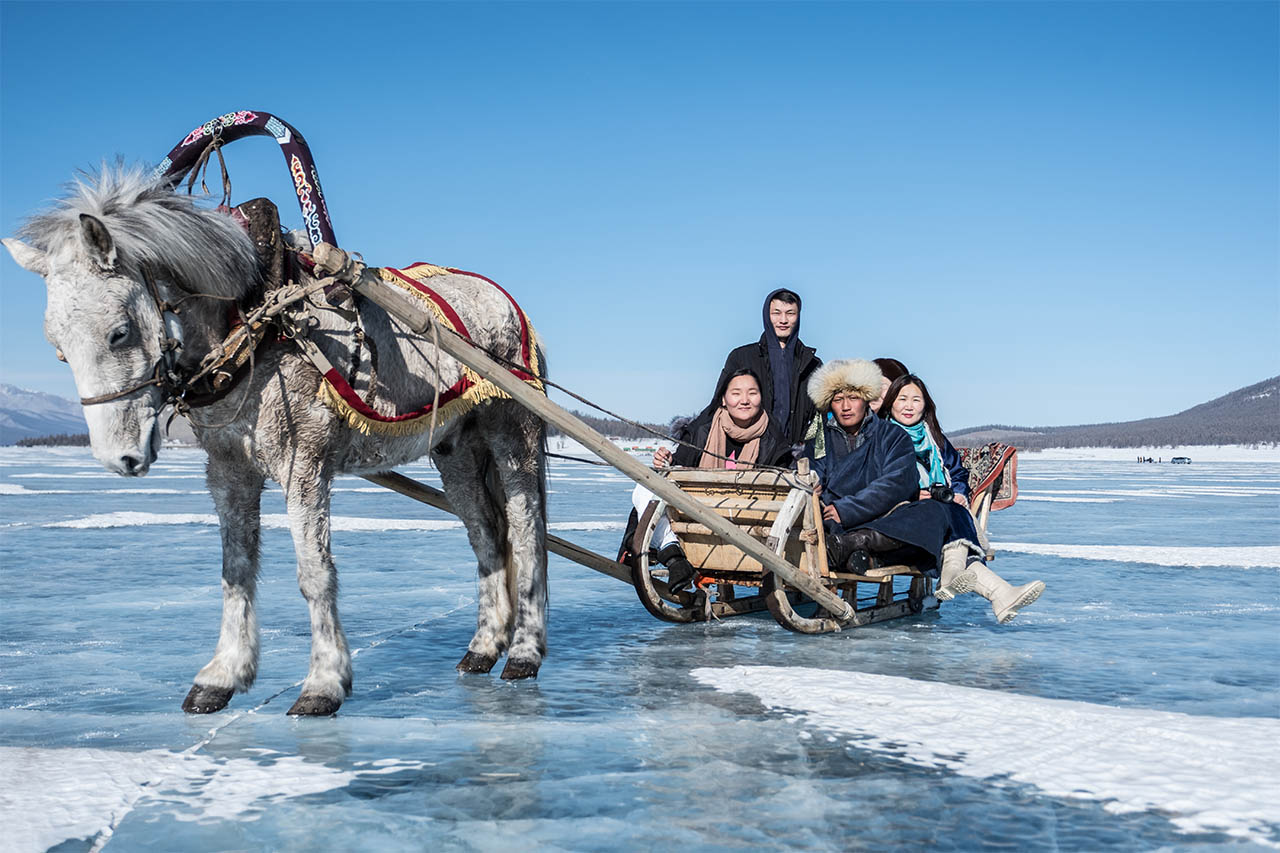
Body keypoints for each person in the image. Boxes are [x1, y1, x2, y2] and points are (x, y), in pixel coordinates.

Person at [880, 373, 1045, 623]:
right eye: (902, 399)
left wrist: (958, 492)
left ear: (926, 406)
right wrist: (913, 493)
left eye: (916, 399)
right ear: (891, 402)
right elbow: (879, 478)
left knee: (952, 507)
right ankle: (986, 587)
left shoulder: (934, 438)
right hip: (902, 512)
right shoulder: (882, 436)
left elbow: (956, 471)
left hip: (936, 512)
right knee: (951, 512)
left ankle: (995, 592)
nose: (909, 405)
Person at [628, 369, 791, 590]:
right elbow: (678, 467)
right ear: (723, 399)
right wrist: (667, 461)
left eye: (752, 393)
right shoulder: (702, 429)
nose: (744, 400)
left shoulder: (773, 438)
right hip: (697, 520)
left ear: (761, 398)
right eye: (736, 393)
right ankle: (673, 555)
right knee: (645, 487)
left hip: (748, 527)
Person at [801, 359, 955, 579]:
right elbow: (814, 472)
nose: (846, 407)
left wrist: (847, 510)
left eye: (853, 398)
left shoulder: (891, 435)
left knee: (932, 512)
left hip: (881, 517)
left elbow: (896, 484)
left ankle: (856, 545)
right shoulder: (819, 437)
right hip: (832, 521)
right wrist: (813, 487)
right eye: (838, 400)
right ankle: (858, 551)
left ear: (866, 399)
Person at [707, 289, 821, 451]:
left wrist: (811, 454)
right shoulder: (741, 357)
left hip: (795, 457)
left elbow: (821, 420)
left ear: (798, 316)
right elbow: (716, 407)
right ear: (767, 315)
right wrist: (680, 453)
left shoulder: (812, 365)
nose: (783, 320)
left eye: (790, 313)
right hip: (750, 452)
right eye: (776, 313)